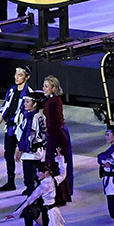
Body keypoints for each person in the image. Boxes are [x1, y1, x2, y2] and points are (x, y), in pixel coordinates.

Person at [0, 65, 32, 191]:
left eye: (20, 75)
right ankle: (10, 181)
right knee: (8, 154)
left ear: (27, 77)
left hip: (21, 129)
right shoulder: (11, 90)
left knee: (26, 156)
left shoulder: (29, 93)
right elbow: (4, 108)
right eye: (16, 74)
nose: (16, 77)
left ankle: (30, 184)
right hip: (10, 128)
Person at [8, 159, 64, 226]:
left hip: (48, 214)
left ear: (46, 173)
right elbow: (63, 174)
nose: (37, 174)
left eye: (39, 172)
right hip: (52, 212)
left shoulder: (43, 186)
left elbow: (29, 200)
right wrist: (61, 161)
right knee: (31, 212)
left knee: (28, 211)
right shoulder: (54, 180)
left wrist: (16, 213)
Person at [39, 75, 73, 204]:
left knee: (56, 164)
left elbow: (56, 121)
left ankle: (60, 196)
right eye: (44, 86)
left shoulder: (53, 102)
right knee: (54, 164)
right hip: (56, 134)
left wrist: (50, 135)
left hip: (56, 136)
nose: (44, 88)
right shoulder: (54, 100)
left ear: (53, 88)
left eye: (46, 86)